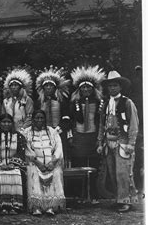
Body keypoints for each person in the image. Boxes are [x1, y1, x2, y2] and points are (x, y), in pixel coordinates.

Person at [97, 70, 139, 212]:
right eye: (110, 86)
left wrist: (131, 143)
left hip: (123, 142)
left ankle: (125, 200)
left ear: (120, 87)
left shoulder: (127, 103)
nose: (112, 88)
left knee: (123, 172)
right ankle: (119, 198)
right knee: (112, 172)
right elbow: (102, 124)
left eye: (115, 85)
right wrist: (100, 142)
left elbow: (133, 124)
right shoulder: (105, 104)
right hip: (109, 142)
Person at [68, 65, 106, 202]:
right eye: (83, 87)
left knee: (94, 166)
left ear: (93, 88)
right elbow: (70, 120)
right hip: (78, 137)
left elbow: (102, 121)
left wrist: (100, 139)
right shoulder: (74, 102)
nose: (86, 89)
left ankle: (94, 195)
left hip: (93, 136)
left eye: (88, 87)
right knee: (78, 165)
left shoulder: (100, 102)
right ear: (79, 89)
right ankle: (80, 195)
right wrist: (70, 136)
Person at [23, 110, 66, 216]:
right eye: (37, 118)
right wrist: (38, 163)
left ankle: (50, 206)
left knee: (56, 172)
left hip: (51, 163)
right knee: (32, 172)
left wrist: (53, 162)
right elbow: (27, 149)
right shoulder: (27, 132)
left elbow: (58, 147)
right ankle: (36, 207)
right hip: (35, 163)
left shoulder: (52, 131)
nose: (39, 120)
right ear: (32, 119)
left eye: (41, 118)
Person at [0, 114, 27, 214]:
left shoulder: (19, 136)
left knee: (18, 174)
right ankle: (1, 206)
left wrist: (13, 164)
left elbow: (21, 151)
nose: (6, 124)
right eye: (3, 122)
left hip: (14, 165)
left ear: (12, 123)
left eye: (9, 122)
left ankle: (15, 205)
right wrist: (0, 164)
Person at [35, 66, 71, 167]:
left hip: (58, 132)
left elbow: (66, 117)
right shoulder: (39, 102)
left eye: (51, 85)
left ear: (55, 87)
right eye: (46, 86)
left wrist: (60, 128)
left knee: (58, 155)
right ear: (43, 88)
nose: (48, 87)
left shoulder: (62, 101)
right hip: (43, 132)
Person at [1, 67, 34, 132]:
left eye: (16, 85)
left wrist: (23, 129)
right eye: (11, 85)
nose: (13, 87)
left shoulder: (27, 100)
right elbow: (3, 116)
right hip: (8, 130)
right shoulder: (6, 101)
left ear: (20, 87)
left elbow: (29, 117)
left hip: (24, 130)